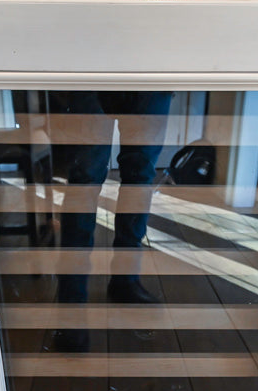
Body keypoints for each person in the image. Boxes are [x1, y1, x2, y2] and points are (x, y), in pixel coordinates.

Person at [52, 91, 173, 306]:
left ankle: (122, 281)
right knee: (86, 179)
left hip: (150, 74)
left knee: (137, 178)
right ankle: (73, 292)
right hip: (96, 71)